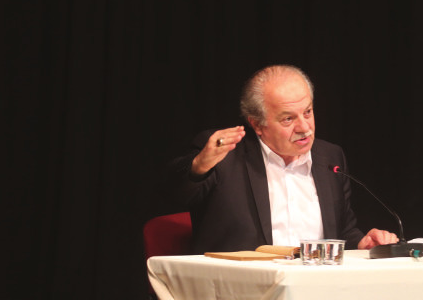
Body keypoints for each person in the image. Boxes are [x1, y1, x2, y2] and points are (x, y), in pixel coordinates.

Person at [168, 64, 399, 254]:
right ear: (257, 124)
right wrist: (199, 165)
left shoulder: (329, 157)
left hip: (315, 286)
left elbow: (342, 231)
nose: (304, 127)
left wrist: (361, 244)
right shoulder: (225, 154)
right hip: (243, 287)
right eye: (288, 119)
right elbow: (174, 194)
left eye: (307, 112)